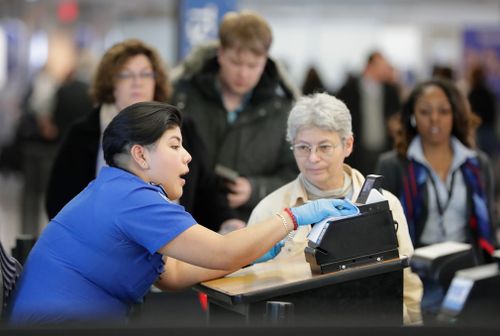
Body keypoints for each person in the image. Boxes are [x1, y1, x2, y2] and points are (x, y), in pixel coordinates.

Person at [6, 101, 358, 325]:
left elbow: (171, 274)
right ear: (141, 156)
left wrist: (248, 257)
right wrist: (295, 217)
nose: (188, 156)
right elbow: (222, 251)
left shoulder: (115, 188)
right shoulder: (132, 198)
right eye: (175, 145)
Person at [247, 93, 423, 325]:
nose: (313, 158)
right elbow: (249, 287)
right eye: (302, 147)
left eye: (324, 147)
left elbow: (407, 279)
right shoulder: (270, 210)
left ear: (348, 144)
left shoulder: (385, 204)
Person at [45, 39, 242, 233]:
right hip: (102, 244)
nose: (137, 82)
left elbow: (206, 189)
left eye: (146, 74)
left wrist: (228, 220)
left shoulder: (182, 126)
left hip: (171, 240)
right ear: (110, 82)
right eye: (126, 75)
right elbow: (59, 201)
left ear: (156, 81)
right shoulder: (84, 132)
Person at [375, 78, 498, 318]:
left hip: (467, 269)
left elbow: (489, 228)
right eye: (424, 111)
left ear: (455, 115)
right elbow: (382, 234)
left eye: (443, 111)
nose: (434, 120)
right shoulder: (393, 165)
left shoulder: (476, 164)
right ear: (412, 116)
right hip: (416, 270)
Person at [170, 10, 299, 221]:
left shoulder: (284, 110)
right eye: (236, 62)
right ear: (220, 53)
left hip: (252, 227)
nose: (243, 73)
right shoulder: (184, 97)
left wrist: (255, 189)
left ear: (266, 61)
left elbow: (297, 174)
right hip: (186, 224)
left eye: (252, 65)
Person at [336, 51, 401, 176]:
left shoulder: (390, 91)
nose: (385, 69)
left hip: (383, 147)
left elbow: (396, 115)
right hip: (358, 149)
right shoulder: (350, 89)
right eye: (381, 66)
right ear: (369, 66)